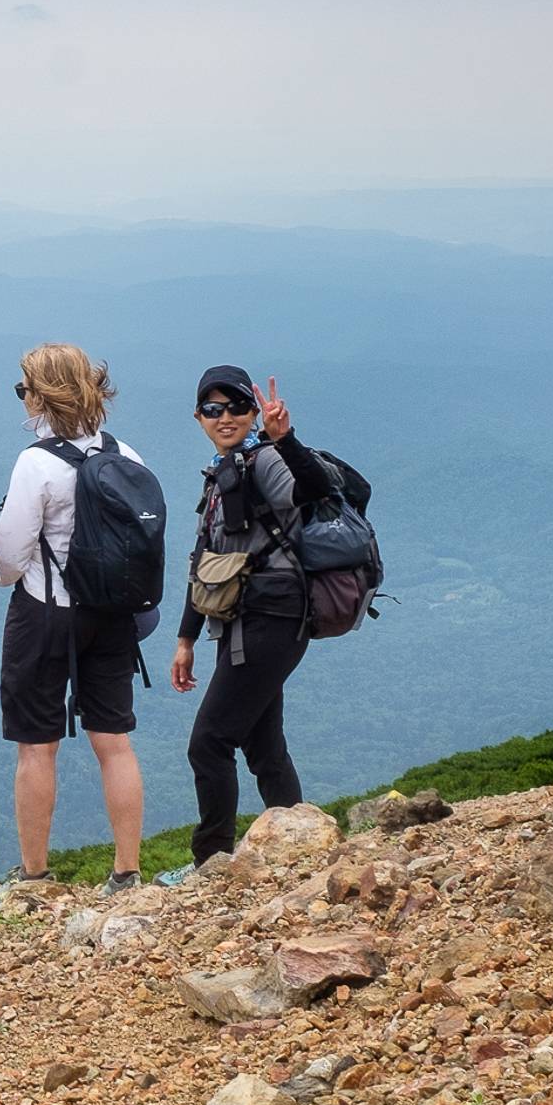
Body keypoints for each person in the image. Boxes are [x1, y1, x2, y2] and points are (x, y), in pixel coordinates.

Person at [0, 342, 149, 907]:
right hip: (113, 615)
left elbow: (11, 547)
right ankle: (127, 872)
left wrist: (4, 576)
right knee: (115, 742)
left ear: (43, 395)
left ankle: (34, 875)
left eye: (24, 388)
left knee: (36, 746)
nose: (22, 397)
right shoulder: (126, 454)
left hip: (46, 612)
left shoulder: (37, 462)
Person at [158, 367, 338, 884]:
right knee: (263, 745)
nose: (225, 417)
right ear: (199, 418)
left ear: (254, 413)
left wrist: (287, 440)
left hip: (272, 617)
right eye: (212, 409)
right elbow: (205, 560)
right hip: (240, 620)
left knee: (209, 742)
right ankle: (301, 844)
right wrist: (186, 637)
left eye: (236, 406)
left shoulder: (266, 461)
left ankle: (212, 860)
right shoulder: (220, 473)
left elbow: (315, 491)